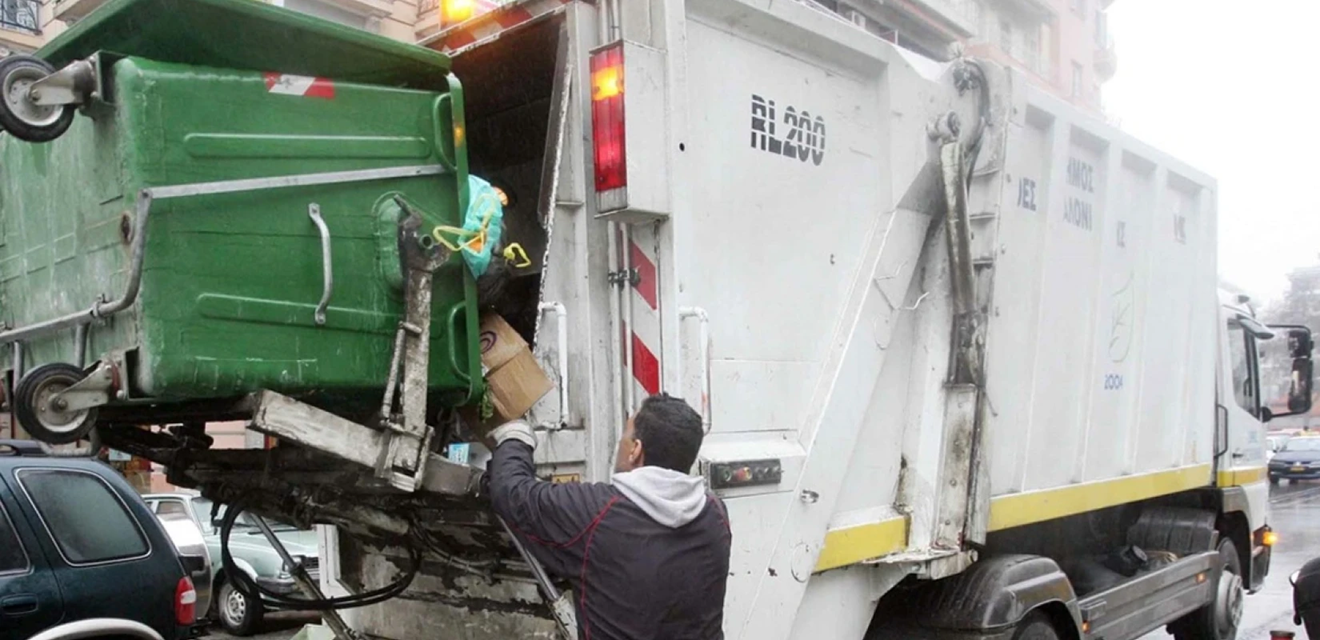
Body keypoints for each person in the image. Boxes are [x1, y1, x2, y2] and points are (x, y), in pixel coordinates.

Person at [487, 393, 731, 640]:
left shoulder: (597, 515)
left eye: (625, 437)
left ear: (635, 450)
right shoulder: (716, 514)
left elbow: (511, 491)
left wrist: (516, 436)